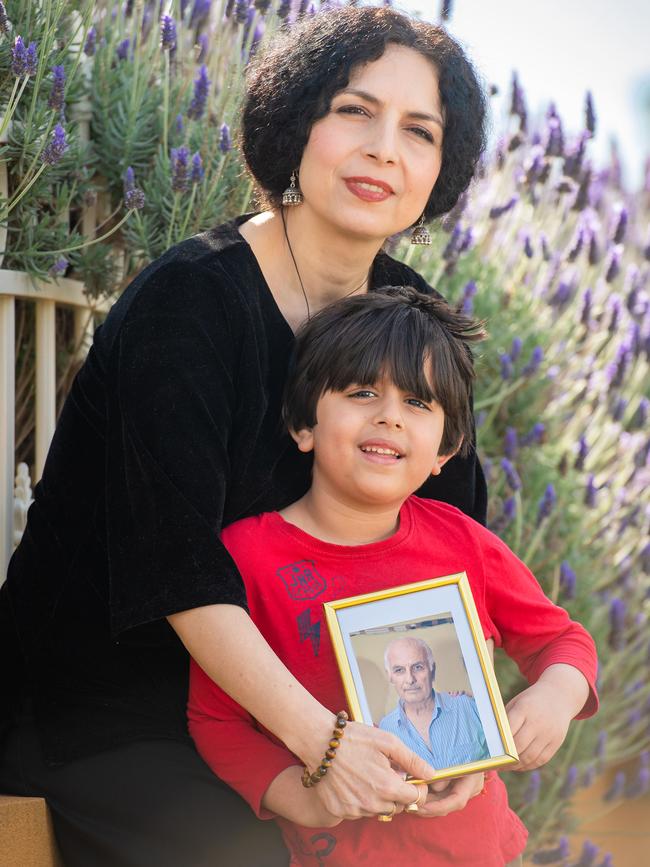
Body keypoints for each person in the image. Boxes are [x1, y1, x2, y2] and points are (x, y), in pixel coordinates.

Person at [0, 7, 490, 866]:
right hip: (118, 711)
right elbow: (175, 566)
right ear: (296, 122)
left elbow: (451, 550)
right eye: (354, 110)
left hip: (301, 721)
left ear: (440, 168)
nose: (384, 148)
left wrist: (457, 744)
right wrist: (326, 742)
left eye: (420, 130)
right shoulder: (187, 302)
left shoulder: (416, 324)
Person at [188, 287, 599, 867]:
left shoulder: (464, 543)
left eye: (417, 403)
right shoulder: (248, 555)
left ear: (445, 450)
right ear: (303, 424)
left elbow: (564, 641)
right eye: (362, 393)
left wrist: (556, 697)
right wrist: (303, 799)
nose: (388, 415)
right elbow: (216, 720)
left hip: (479, 852)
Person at [378, 636, 489, 767]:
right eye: (399, 670)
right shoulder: (385, 729)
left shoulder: (468, 706)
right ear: (390, 676)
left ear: (433, 670)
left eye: (418, 667)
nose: (410, 679)